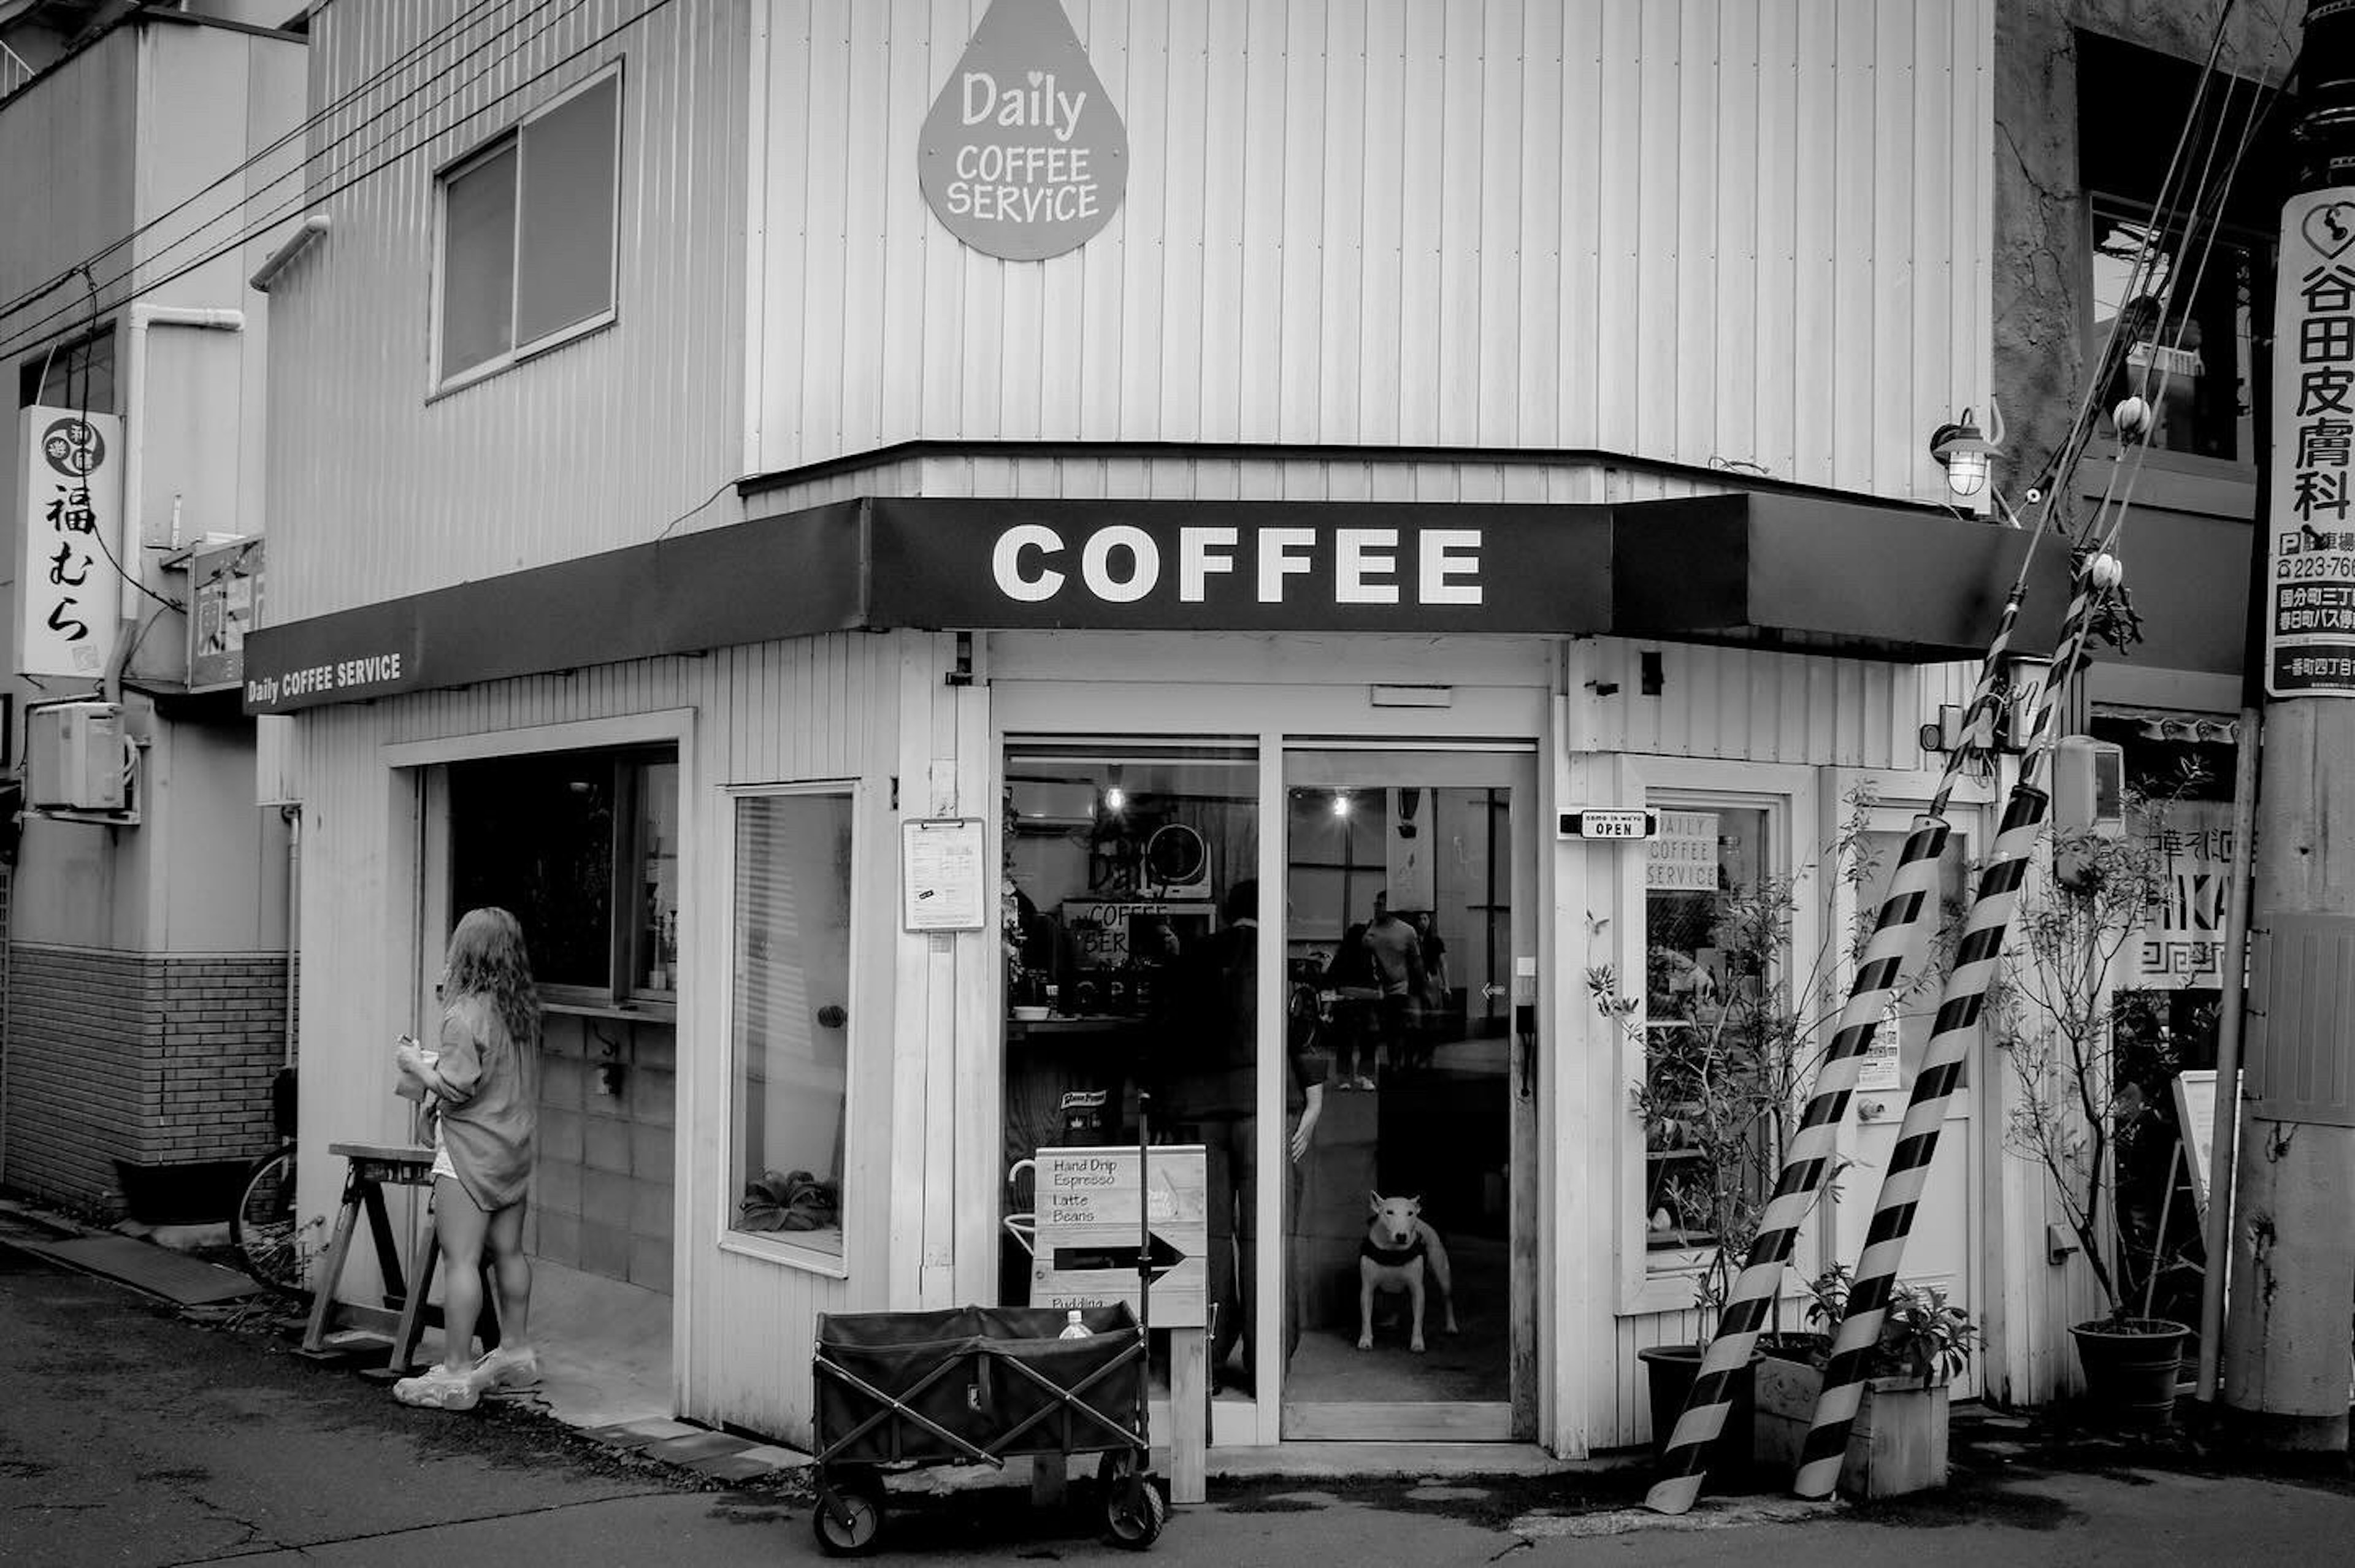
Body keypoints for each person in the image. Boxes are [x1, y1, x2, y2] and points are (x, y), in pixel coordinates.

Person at [1158, 879, 1328, 1394]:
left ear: (1228, 913)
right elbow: (1303, 1032)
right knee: (1268, 1239)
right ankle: (1267, 1367)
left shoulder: (1191, 959)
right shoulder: (1284, 962)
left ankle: (1203, 1364)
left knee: (1204, 1243)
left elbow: (1165, 1034)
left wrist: (1168, 1108)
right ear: (1277, 909)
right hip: (1266, 1110)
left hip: (1200, 1114)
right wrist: (1314, 1102)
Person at [391, 908, 542, 1410]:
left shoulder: (464, 1014)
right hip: (513, 1149)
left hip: (469, 1151)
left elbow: (456, 1087)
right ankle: (517, 1354)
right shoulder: (520, 1010)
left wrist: (415, 1064)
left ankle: (455, 1372)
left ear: (466, 953)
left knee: (463, 1260)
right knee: (510, 1253)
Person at [1361, 890, 1426, 1089]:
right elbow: (1362, 954)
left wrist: (1422, 986)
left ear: (1391, 908)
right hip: (1375, 988)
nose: (1377, 907)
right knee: (1372, 1031)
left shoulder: (1406, 931)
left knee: (1394, 1030)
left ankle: (1396, 1067)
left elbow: (1416, 961)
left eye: (1382, 904)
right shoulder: (1370, 928)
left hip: (1399, 988)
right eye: (1376, 904)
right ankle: (1370, 1073)